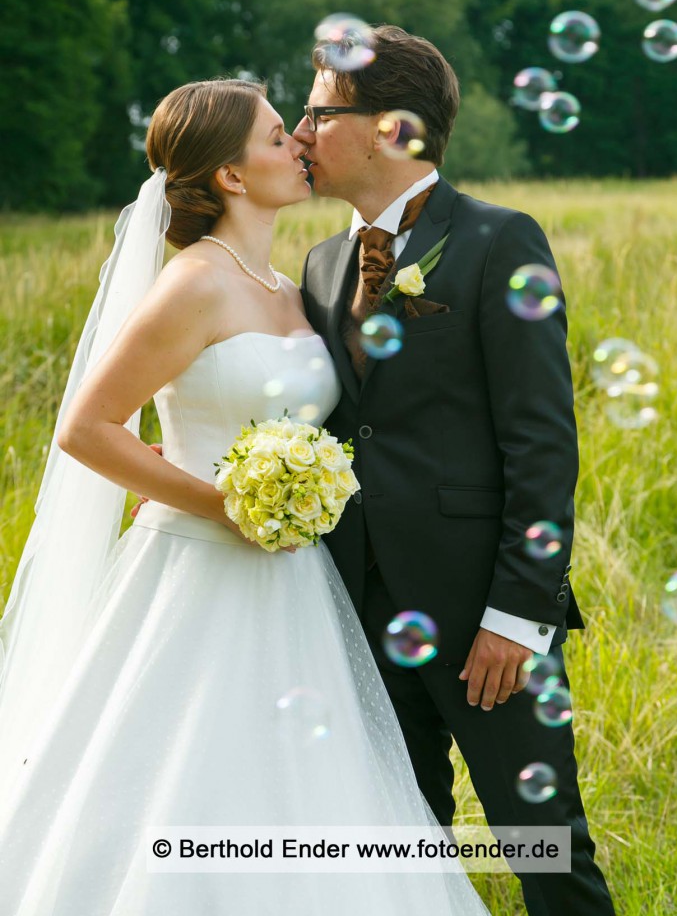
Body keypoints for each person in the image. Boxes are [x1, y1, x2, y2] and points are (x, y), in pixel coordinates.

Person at [0, 79, 489, 915]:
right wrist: (222, 504)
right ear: (230, 176)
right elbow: (87, 429)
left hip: (296, 581)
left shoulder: (290, 289)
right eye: (274, 138)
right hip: (197, 572)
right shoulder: (193, 283)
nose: (298, 144)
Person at [295, 25, 616, 916]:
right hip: (358, 612)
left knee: (546, 850)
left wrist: (518, 617)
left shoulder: (497, 240)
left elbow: (542, 442)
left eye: (320, 110)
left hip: (486, 618)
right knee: (400, 856)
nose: (299, 129)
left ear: (392, 129)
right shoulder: (320, 266)